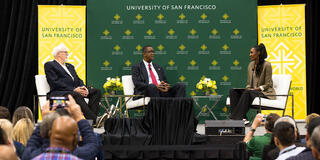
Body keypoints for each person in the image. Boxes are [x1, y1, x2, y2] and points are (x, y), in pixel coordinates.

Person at [22, 95, 100, 160]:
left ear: (49, 134)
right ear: (76, 138)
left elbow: (30, 147)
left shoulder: (33, 156)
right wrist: (79, 117)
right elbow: (92, 145)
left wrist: (45, 120)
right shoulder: (80, 156)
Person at [44, 43, 102, 123]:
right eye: (65, 52)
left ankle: (91, 121)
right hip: (60, 93)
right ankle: (94, 120)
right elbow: (55, 82)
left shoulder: (70, 66)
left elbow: (78, 79)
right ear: (58, 54)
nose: (67, 54)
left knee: (96, 92)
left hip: (73, 91)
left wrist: (83, 87)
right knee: (76, 95)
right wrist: (74, 89)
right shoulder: (50, 65)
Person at [229, 43, 275, 122]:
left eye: (251, 52)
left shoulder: (267, 65)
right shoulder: (251, 65)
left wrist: (256, 89)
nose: (250, 55)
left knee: (247, 93)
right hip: (252, 91)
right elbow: (248, 83)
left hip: (264, 93)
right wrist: (249, 88)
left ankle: (234, 118)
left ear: (258, 53)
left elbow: (268, 84)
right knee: (233, 91)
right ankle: (242, 118)